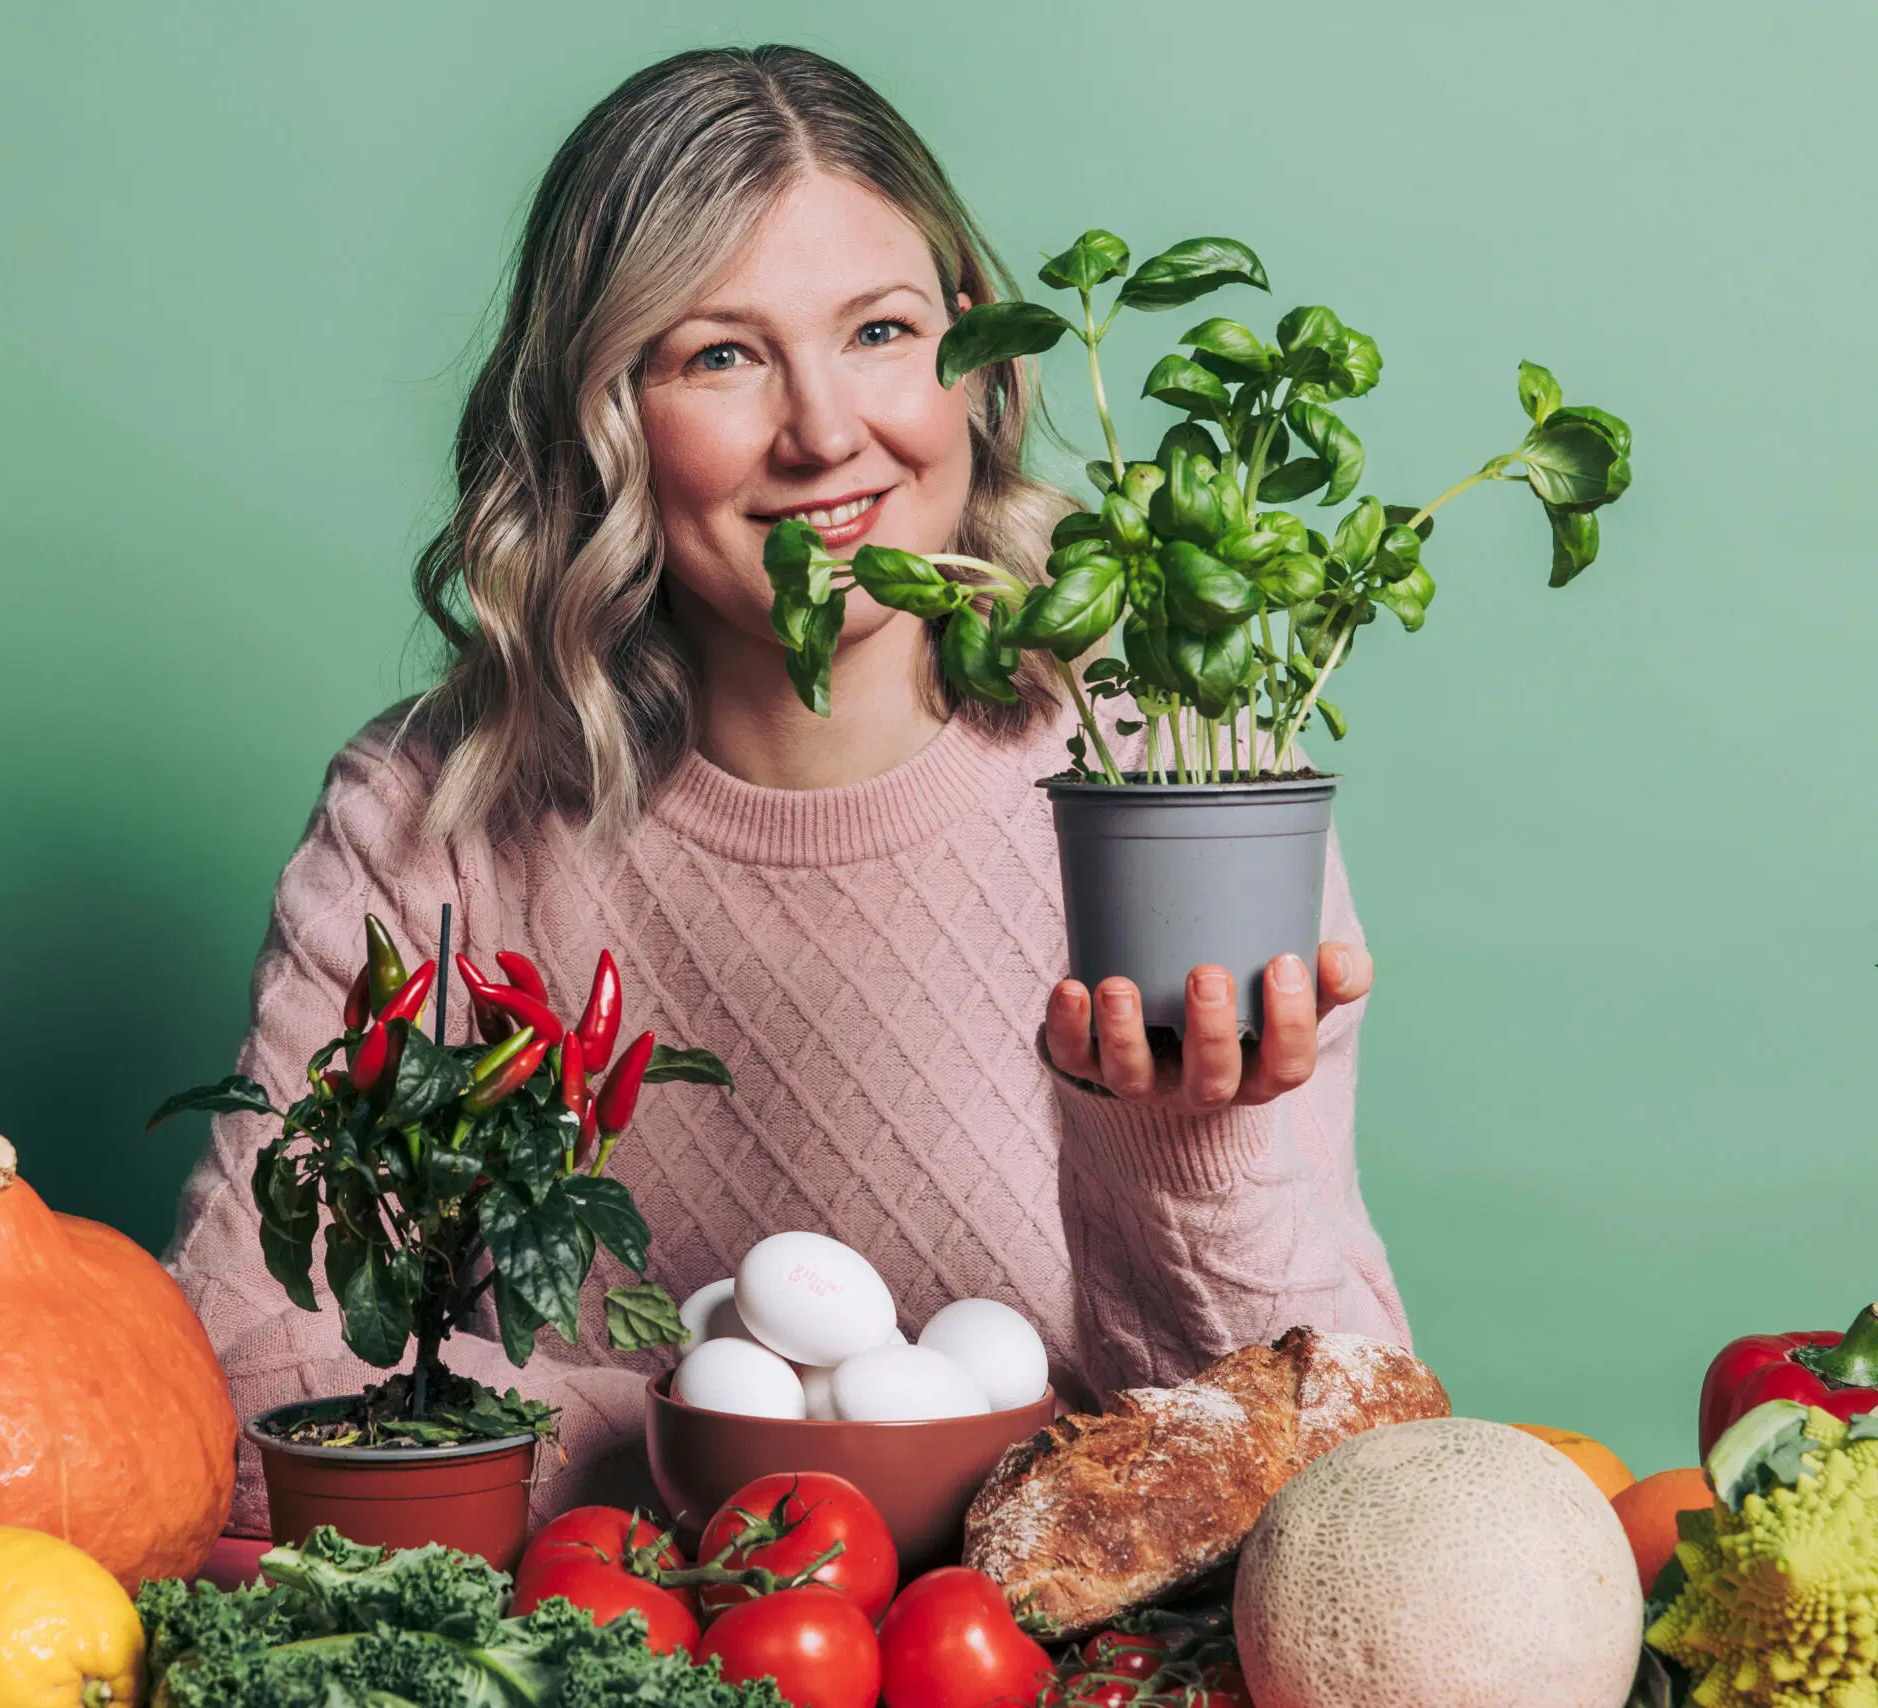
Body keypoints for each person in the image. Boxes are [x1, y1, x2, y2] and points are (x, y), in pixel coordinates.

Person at [169, 44, 1400, 1533]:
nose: (826, 433)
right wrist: (759, 1425)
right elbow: (241, 1398)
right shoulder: (433, 817)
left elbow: (1349, 1479)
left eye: (879, 330)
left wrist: (1186, 1163)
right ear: (600, 416)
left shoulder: (1166, 779)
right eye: (721, 356)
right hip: (632, 1662)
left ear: (980, 349)